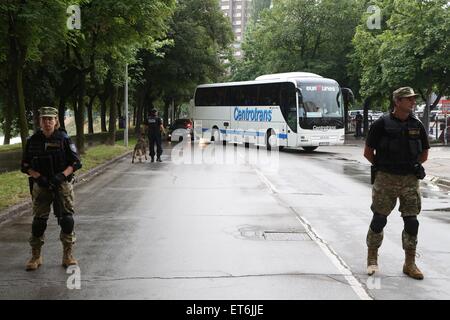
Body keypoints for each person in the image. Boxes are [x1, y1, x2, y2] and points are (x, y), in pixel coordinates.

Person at [364, 87, 429, 280]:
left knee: (412, 222)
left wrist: (410, 166)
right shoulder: (381, 124)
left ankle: (410, 263)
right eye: (409, 99)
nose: (413, 102)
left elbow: (424, 152)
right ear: (397, 102)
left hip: (409, 180)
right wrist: (384, 167)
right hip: (386, 179)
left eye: (413, 99)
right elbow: (368, 152)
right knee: (379, 219)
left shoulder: (416, 124)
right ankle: (372, 260)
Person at [21, 107, 82, 271]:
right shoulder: (33, 140)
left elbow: (76, 163)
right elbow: (24, 166)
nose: (47, 122)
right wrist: (37, 176)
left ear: (56, 121)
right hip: (41, 185)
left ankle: (68, 255)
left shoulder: (64, 139)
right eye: (44, 119)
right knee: (38, 222)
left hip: (61, 184)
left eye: (50, 119)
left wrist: (62, 175)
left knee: (66, 220)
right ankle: (35, 256)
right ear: (39, 121)